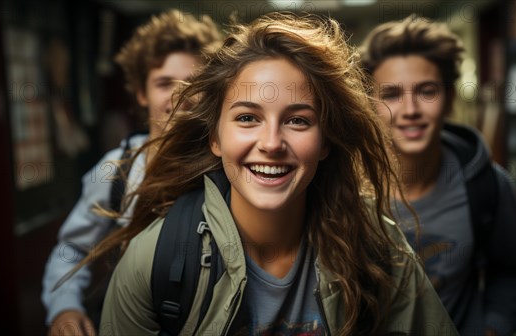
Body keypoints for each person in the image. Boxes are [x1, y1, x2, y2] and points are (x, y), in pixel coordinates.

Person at [88, 12, 458, 336]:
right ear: (215, 137)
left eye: (298, 120)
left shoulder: (379, 248)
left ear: (326, 141)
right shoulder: (154, 260)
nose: (272, 142)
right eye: (247, 118)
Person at [41, 10, 222, 336]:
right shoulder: (116, 170)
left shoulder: (231, 164)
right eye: (164, 83)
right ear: (141, 93)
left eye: (193, 82)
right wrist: (64, 307)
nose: (179, 95)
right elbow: (71, 250)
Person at [360, 15, 516, 336]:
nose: (410, 109)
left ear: (450, 98)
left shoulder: (486, 185)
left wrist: (492, 330)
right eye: (391, 94)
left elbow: (511, 275)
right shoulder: (341, 188)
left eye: (427, 91)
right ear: (369, 104)